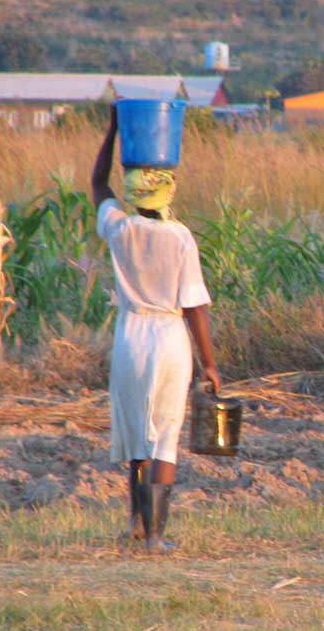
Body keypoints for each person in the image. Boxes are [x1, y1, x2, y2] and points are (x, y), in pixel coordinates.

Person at [91, 105, 221, 554]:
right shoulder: (180, 236)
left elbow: (95, 185)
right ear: (167, 193)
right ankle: (157, 536)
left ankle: (134, 524)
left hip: (129, 338)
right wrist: (211, 364)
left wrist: (112, 131)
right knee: (164, 433)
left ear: (133, 194)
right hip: (168, 339)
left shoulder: (119, 228)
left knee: (134, 431)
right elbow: (195, 307)